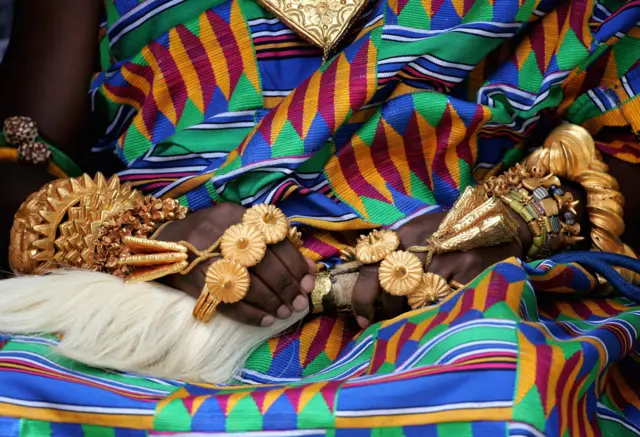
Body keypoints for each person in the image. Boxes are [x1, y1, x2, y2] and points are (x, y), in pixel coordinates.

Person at [0, 0, 639, 435]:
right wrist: (143, 235)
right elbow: (16, 154)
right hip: (133, 305)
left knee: (501, 389)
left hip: (443, 305)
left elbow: (624, 146)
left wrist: (506, 222)